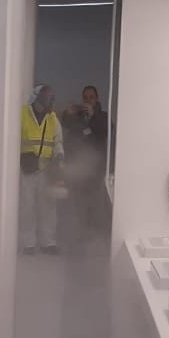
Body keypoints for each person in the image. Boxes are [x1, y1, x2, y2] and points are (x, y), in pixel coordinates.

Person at [19, 83, 64, 254]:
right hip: (27, 169)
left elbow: (57, 141)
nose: (51, 101)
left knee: (48, 207)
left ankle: (48, 243)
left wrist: (59, 155)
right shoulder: (22, 114)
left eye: (52, 98)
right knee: (27, 207)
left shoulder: (52, 118)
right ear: (38, 97)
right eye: (48, 97)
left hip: (46, 169)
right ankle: (28, 244)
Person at [65, 85, 110, 243]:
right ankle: (79, 241)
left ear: (97, 98)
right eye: (85, 97)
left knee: (96, 208)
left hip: (96, 172)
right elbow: (66, 126)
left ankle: (96, 242)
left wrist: (93, 116)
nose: (88, 100)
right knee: (78, 209)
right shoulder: (78, 117)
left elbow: (105, 131)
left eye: (91, 97)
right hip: (79, 171)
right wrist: (68, 113)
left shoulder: (103, 116)